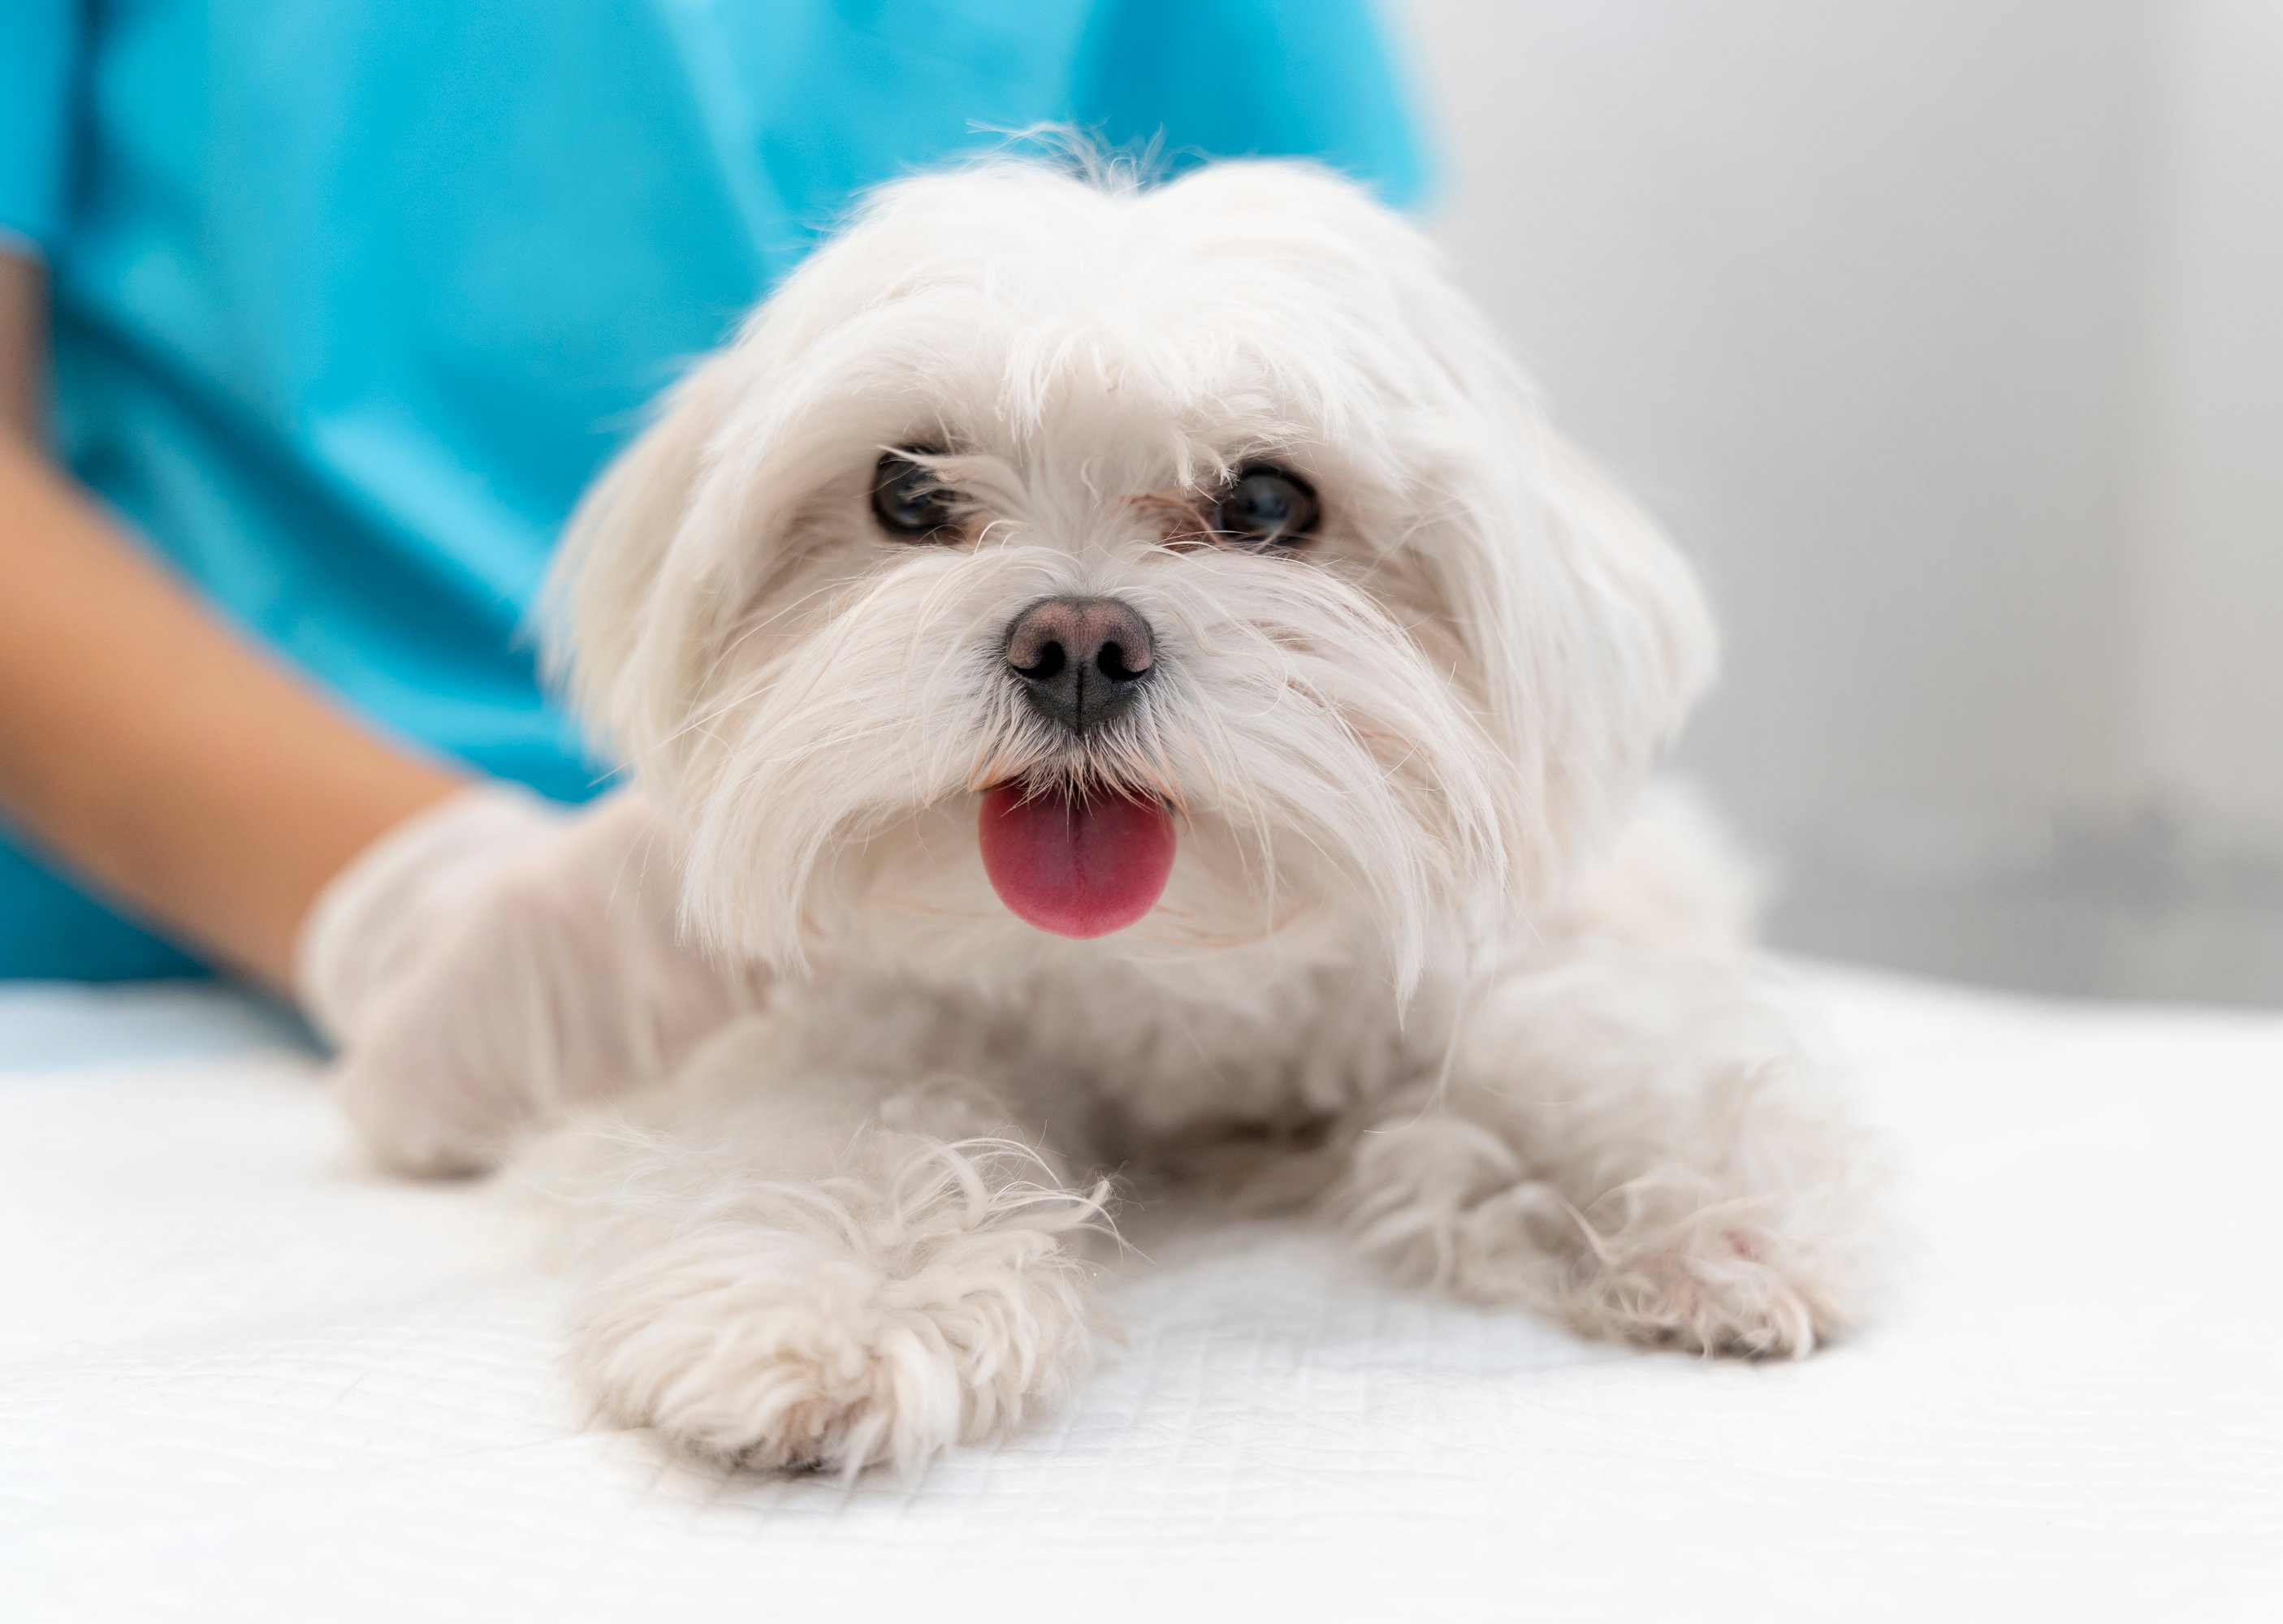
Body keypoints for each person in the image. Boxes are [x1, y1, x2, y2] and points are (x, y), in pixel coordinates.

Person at [0, 2, 1425, 1121]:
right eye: (922, 499)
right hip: (191, 947)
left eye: (1232, 513)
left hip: (1077, 942)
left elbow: (1359, 396)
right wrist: (408, 899)